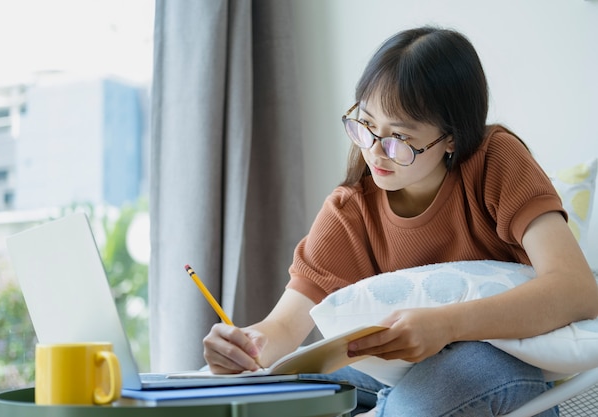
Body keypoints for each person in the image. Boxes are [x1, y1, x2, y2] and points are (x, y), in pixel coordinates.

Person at [202, 26, 598, 416]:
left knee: (420, 402)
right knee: (272, 394)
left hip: (501, 360)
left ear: (451, 139)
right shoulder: (351, 209)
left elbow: (576, 289)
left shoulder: (495, 160)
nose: (376, 152)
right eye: (367, 125)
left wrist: (445, 325)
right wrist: (245, 348)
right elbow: (284, 328)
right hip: (398, 374)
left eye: (399, 139)